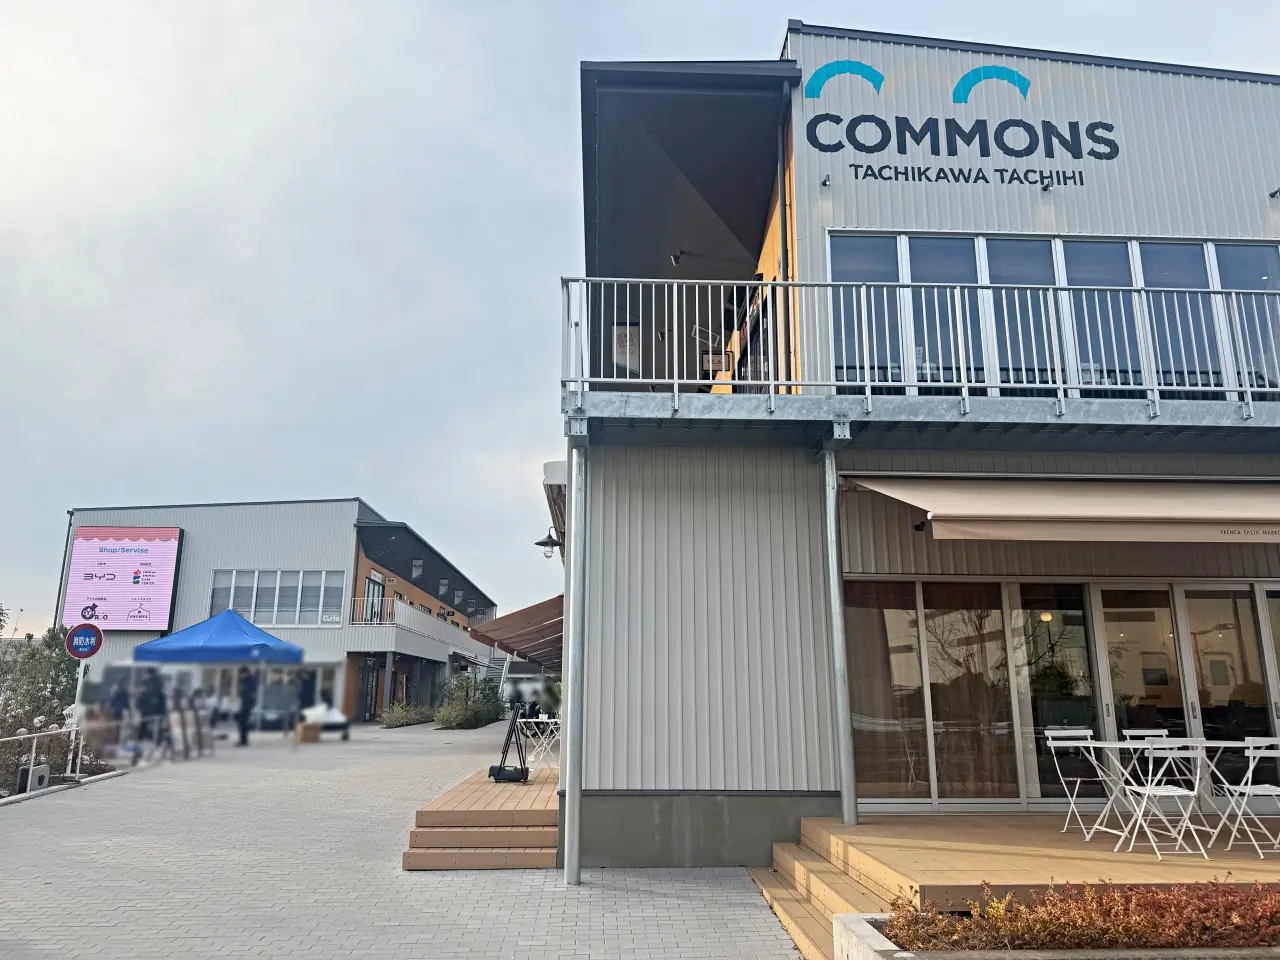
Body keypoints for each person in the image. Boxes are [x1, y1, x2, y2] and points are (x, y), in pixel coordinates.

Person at [235, 667, 257, 747]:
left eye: (241, 674)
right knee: (242, 723)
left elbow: (248, 695)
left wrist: (247, 706)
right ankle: (243, 740)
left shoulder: (249, 682)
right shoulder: (246, 681)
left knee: (243, 723)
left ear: (245, 673)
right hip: (245, 705)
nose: (240, 676)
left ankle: (243, 741)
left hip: (247, 706)